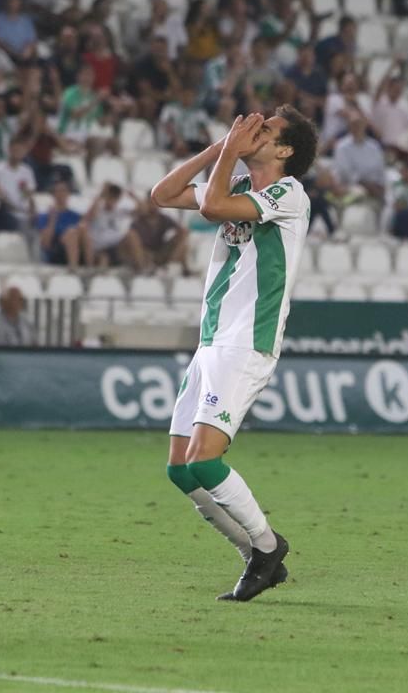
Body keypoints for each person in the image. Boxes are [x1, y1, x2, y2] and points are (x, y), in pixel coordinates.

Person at [150, 105, 318, 601]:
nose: (252, 131)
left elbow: (212, 209)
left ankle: (267, 548)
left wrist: (228, 152)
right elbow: (162, 195)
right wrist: (220, 146)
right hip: (212, 341)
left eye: (264, 130)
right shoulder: (240, 185)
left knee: (205, 462)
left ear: (284, 152)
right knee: (180, 468)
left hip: (247, 340)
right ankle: (256, 556)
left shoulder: (289, 193)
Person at [80, 183, 139, 268]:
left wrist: (134, 197)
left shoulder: (120, 211)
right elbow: (86, 219)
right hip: (99, 247)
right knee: (103, 259)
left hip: (115, 246)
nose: (111, 200)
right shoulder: (98, 210)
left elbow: (142, 211)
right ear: (106, 196)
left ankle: (141, 268)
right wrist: (100, 195)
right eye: (110, 196)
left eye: (115, 197)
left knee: (132, 235)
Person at [127, 198, 189, 274]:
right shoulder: (139, 221)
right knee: (132, 237)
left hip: (161, 252)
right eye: (151, 203)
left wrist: (178, 238)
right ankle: (142, 267)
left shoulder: (164, 219)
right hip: (145, 253)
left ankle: (173, 266)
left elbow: (182, 231)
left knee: (183, 239)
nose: (153, 206)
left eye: (155, 204)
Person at [36, 179, 83, 267]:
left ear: (68, 194)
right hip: (56, 252)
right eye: (57, 191)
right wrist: (52, 220)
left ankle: (90, 266)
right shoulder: (45, 216)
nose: (60, 194)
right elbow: (46, 244)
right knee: (71, 233)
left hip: (77, 250)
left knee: (82, 228)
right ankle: (74, 266)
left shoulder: (76, 216)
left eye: (63, 191)